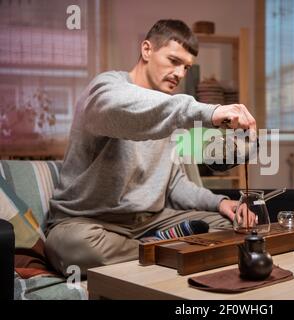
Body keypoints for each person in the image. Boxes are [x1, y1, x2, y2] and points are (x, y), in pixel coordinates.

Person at [45, 19, 256, 276]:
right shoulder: (105, 89)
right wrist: (210, 112)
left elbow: (174, 184)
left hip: (151, 221)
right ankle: (166, 247)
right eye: (173, 61)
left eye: (186, 67)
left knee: (228, 228)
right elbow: (124, 108)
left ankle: (160, 246)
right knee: (74, 249)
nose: (179, 73)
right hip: (88, 223)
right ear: (147, 50)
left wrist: (220, 202)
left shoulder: (166, 114)